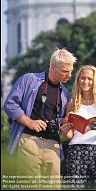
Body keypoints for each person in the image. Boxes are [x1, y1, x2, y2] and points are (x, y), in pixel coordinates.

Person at [3, 48, 77, 188]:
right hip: (29, 139)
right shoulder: (29, 79)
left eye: (71, 71)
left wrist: (64, 125)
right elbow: (10, 104)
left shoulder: (65, 93)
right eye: (65, 71)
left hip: (53, 144)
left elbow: (60, 119)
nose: (69, 75)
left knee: (53, 186)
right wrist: (29, 122)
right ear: (53, 66)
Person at [60, 65, 96, 190]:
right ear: (78, 80)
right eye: (82, 78)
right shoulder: (72, 102)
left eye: (89, 79)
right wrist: (65, 132)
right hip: (76, 150)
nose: (86, 81)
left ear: (95, 81)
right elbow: (70, 134)